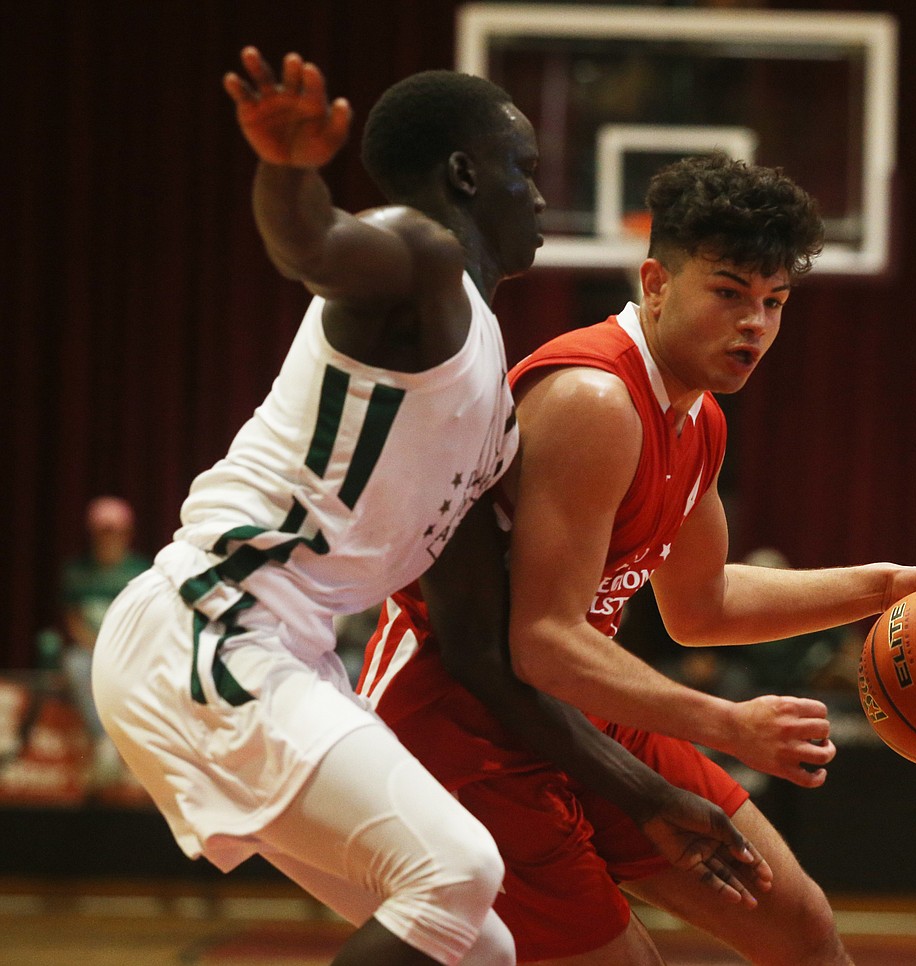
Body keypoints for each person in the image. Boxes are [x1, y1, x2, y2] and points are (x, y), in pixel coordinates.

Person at [92, 49, 759, 966]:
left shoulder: (485, 394)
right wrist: (288, 171)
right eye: (524, 170)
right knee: (456, 876)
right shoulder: (420, 257)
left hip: (280, 652)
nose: (537, 195)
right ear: (464, 174)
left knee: (480, 941)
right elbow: (313, 247)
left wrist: (644, 793)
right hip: (213, 628)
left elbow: (487, 657)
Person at [360, 154, 916, 964]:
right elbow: (539, 639)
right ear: (655, 281)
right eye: (729, 293)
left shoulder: (700, 418)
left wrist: (880, 588)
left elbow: (701, 604)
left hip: (574, 699)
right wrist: (727, 725)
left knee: (800, 924)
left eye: (774, 302)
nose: (755, 323)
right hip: (460, 718)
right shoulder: (595, 401)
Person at [59, 495, 151, 790]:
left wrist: (117, 650)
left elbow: (147, 621)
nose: (109, 539)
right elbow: (72, 619)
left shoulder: (141, 571)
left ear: (128, 534)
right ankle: (105, 743)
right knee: (73, 663)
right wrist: (97, 648)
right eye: (103, 532)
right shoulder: (76, 572)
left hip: (130, 651)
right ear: (93, 533)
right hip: (90, 651)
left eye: (116, 532)